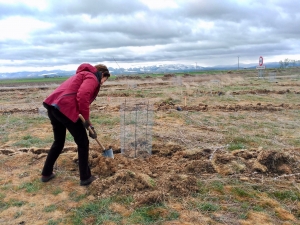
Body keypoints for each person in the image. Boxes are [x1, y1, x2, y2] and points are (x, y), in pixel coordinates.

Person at [40, 63, 110, 186]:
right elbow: (82, 96)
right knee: (83, 142)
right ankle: (85, 177)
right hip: (65, 109)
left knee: (59, 141)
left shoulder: (82, 75)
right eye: (105, 79)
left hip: (54, 107)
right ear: (102, 74)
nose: (103, 82)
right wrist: (87, 121)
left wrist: (89, 125)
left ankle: (46, 173)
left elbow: (77, 99)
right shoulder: (92, 77)